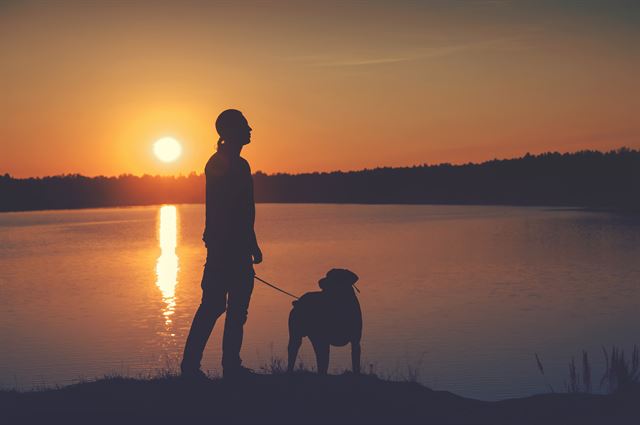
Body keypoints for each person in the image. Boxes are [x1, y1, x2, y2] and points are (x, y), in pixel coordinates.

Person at [181, 109, 262, 379]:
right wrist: (228, 246)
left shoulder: (242, 164)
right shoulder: (218, 163)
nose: (250, 130)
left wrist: (252, 244)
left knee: (238, 309)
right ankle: (190, 368)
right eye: (244, 126)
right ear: (230, 132)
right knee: (214, 305)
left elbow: (245, 211)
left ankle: (231, 367)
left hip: (237, 248)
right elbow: (223, 210)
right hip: (223, 249)